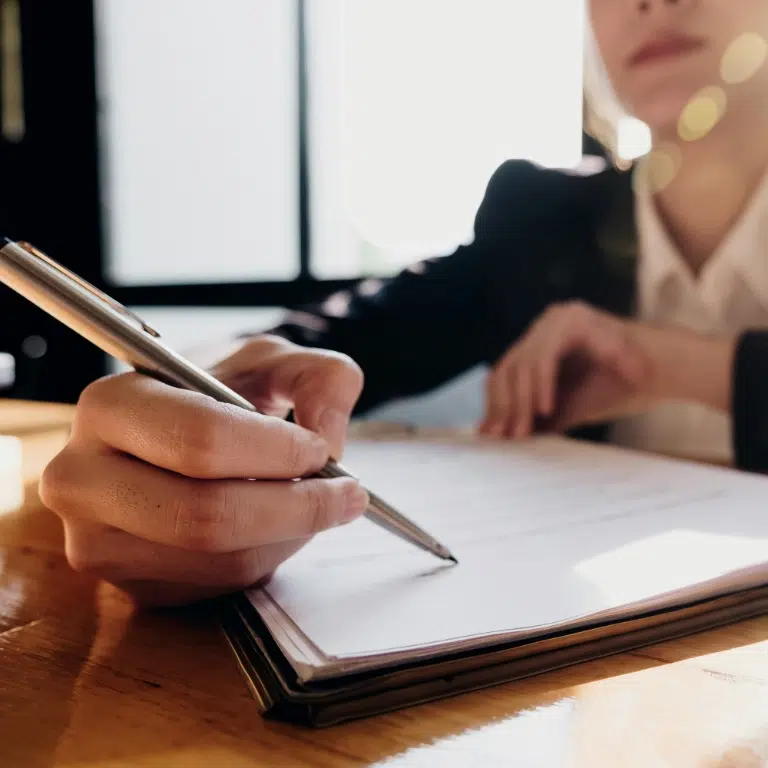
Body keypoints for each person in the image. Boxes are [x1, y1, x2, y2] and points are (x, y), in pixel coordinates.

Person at [40, 0, 768, 605]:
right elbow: (330, 338)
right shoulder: (541, 220)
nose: (649, 1)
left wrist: (680, 367)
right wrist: (199, 395)